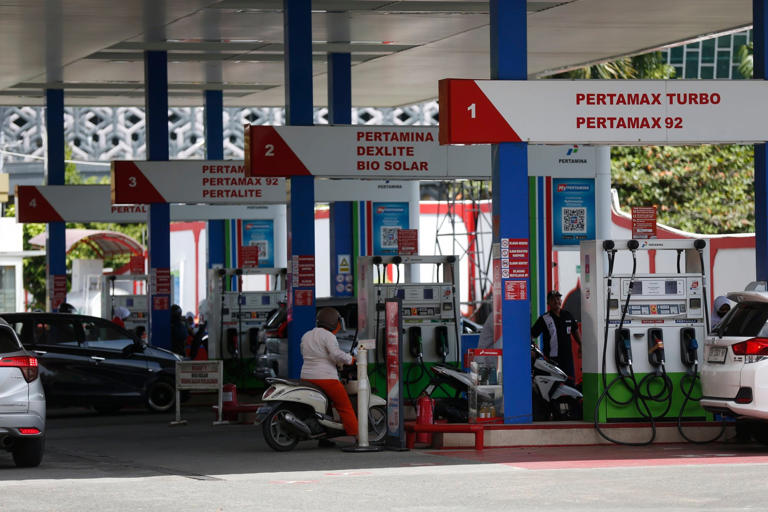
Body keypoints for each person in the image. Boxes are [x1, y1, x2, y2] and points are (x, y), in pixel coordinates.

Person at [300, 307, 358, 442]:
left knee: (324, 407)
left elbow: (306, 353)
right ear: (333, 322)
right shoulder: (328, 336)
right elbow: (336, 354)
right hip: (325, 378)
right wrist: (350, 359)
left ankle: (325, 438)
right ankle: (358, 437)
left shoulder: (307, 335)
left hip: (307, 377)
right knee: (344, 406)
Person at [531, 290, 582, 386]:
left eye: (558, 299)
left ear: (561, 301)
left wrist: (581, 344)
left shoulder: (567, 315)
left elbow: (575, 330)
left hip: (567, 359)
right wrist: (533, 348)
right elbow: (532, 335)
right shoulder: (544, 319)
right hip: (552, 360)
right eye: (552, 299)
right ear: (548, 303)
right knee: (554, 386)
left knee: (570, 384)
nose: (556, 301)